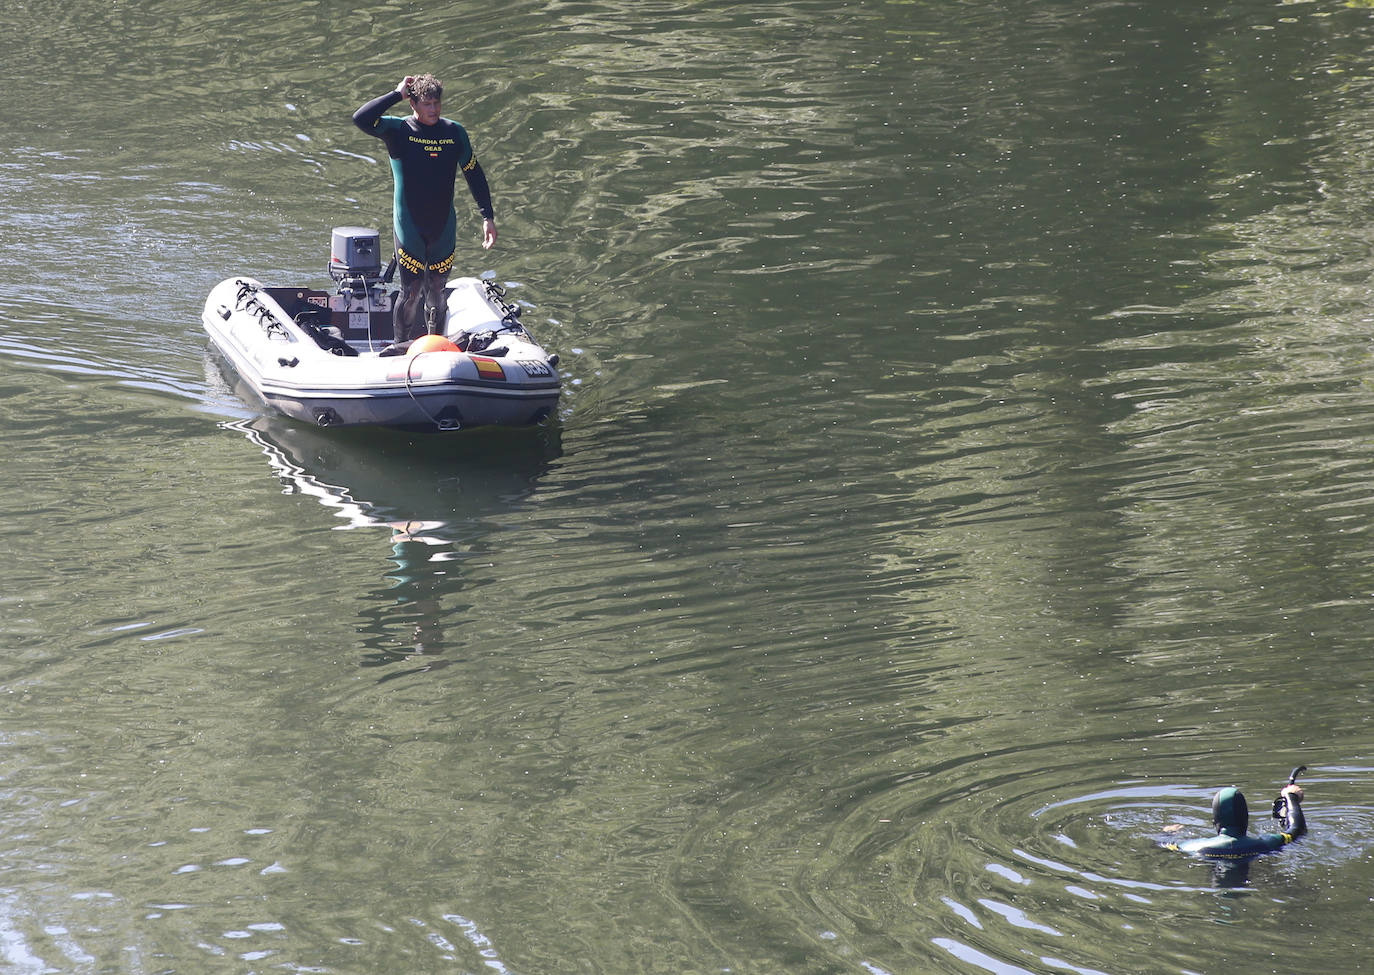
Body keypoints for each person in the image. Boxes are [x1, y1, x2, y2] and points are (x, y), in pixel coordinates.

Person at [353, 74, 497, 350]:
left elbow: (474, 174)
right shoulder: (398, 130)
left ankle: (436, 347)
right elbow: (361, 118)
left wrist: (487, 217)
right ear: (414, 104)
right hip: (410, 226)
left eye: (437, 103)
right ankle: (400, 348)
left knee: (438, 290)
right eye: (427, 104)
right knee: (411, 292)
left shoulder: (454, 133)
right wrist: (396, 94)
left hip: (443, 227)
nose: (433, 109)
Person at [1166, 782, 1306, 859]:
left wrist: (1168, 834)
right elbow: (1297, 829)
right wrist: (1290, 797)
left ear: (1215, 821)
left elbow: (1162, 846)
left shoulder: (1190, 846)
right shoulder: (1267, 842)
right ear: (1245, 817)